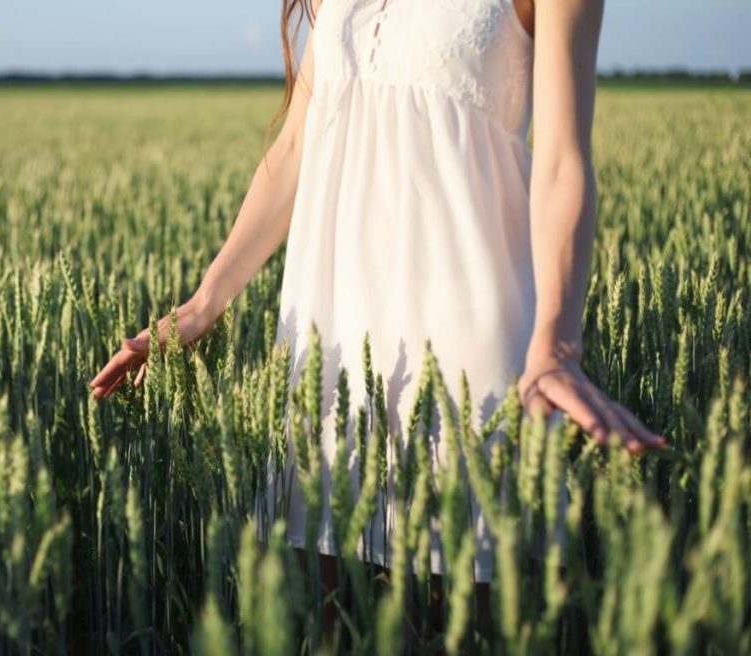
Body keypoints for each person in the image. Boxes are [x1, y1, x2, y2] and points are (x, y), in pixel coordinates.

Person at [90, 0, 665, 634]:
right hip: (329, 344)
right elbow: (292, 149)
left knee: (461, 619)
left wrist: (556, 345)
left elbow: (561, 161)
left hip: (468, 344)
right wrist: (202, 306)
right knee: (328, 620)